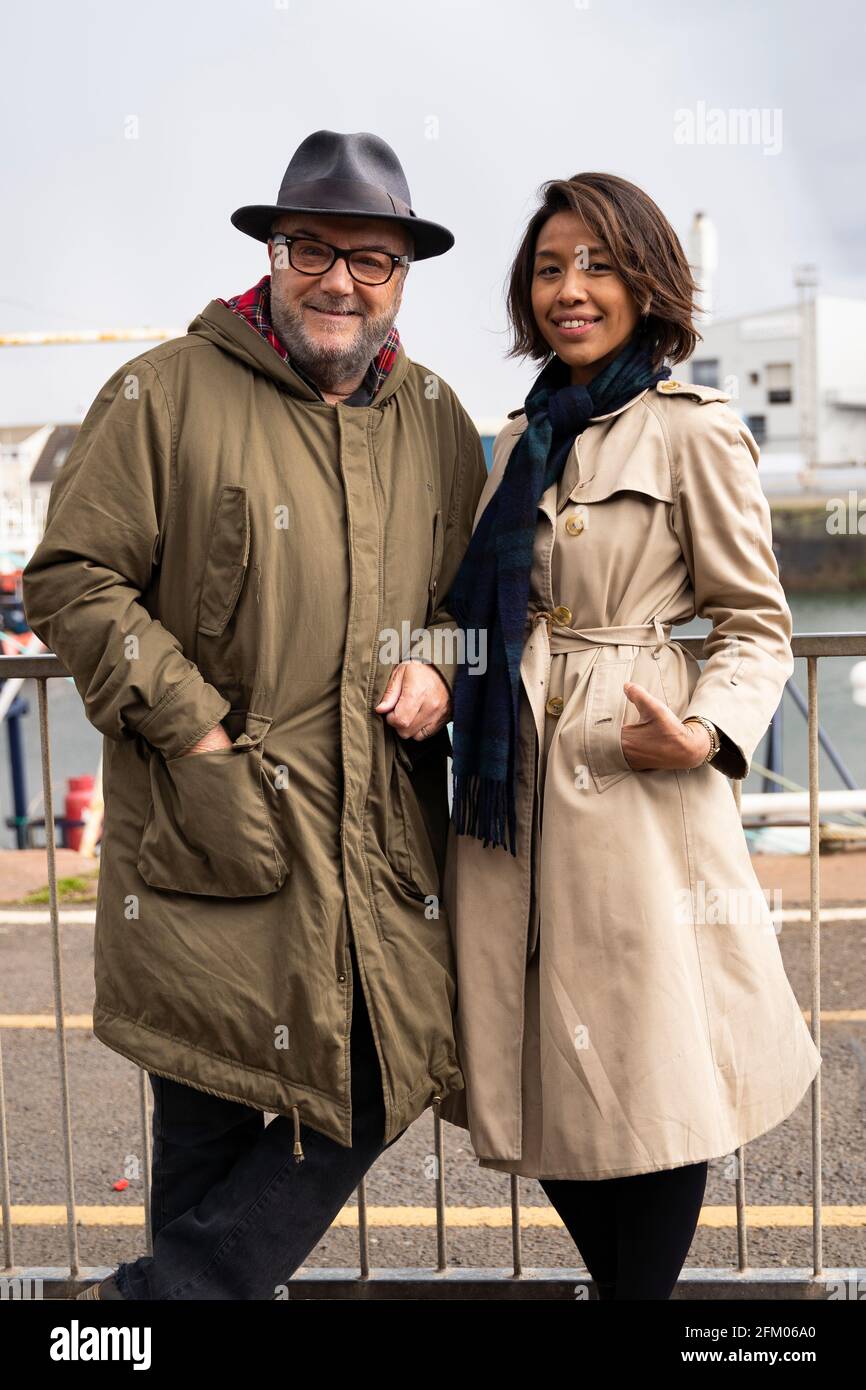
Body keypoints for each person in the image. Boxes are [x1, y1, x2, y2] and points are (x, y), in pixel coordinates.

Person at [22, 129, 488, 1300]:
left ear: (402, 276)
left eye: (370, 259)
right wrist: (194, 729)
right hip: (206, 831)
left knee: (379, 1074)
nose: (339, 279)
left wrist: (440, 656)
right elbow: (74, 576)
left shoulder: (434, 415)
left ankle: (140, 1311)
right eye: (312, 248)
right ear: (272, 254)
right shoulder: (160, 392)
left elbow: (466, 595)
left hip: (374, 846)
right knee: (204, 1124)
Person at [439, 171, 822, 1300]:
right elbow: (469, 605)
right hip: (507, 788)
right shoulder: (512, 441)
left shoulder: (692, 431)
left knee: (651, 1068)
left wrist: (702, 730)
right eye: (550, 267)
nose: (571, 289)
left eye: (597, 264)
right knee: (532, 1057)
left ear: (644, 280)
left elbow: (755, 625)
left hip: (635, 783)